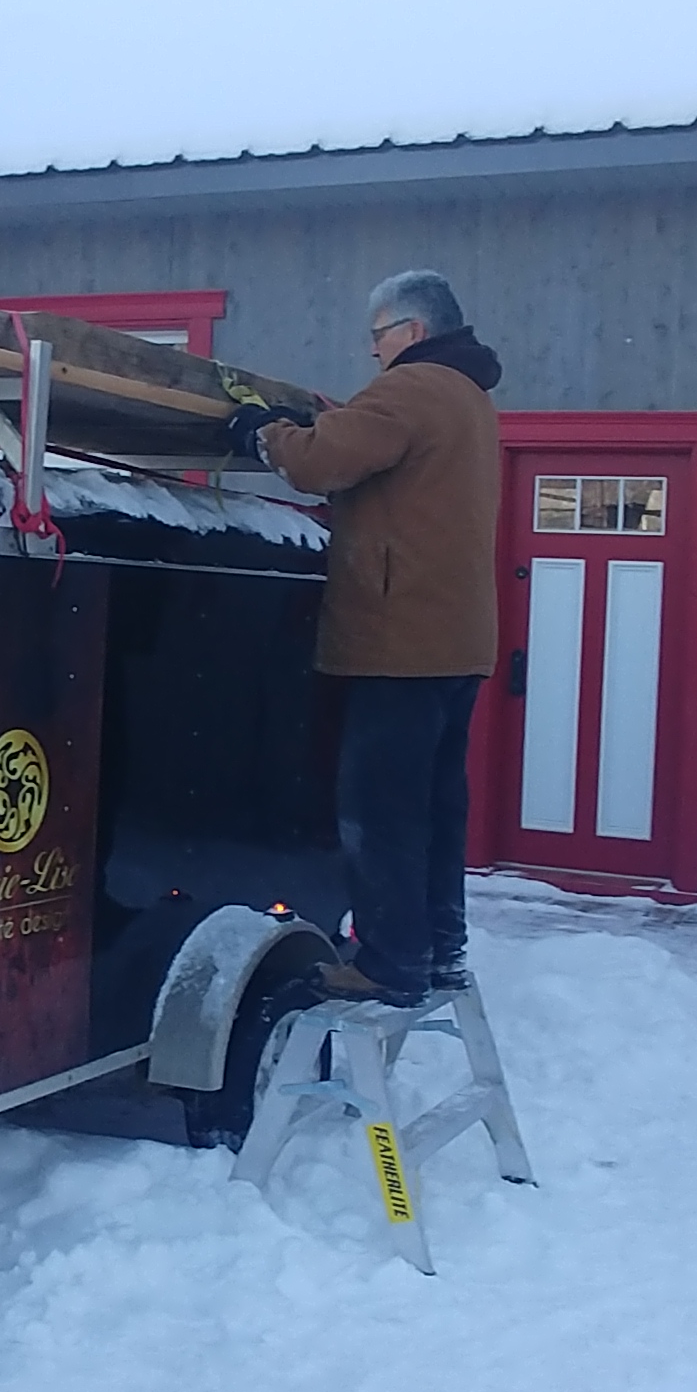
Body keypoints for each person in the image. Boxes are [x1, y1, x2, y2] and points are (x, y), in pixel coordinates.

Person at [224, 268, 504, 1006]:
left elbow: (321, 462)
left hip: (398, 642)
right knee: (438, 807)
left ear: (412, 333)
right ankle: (440, 949)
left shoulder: (412, 389)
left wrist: (263, 434)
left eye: (378, 336)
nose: (371, 351)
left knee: (381, 811)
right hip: (453, 641)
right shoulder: (469, 400)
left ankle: (387, 962)